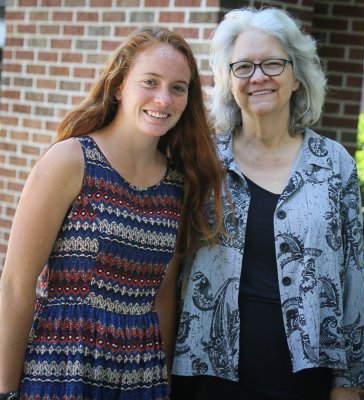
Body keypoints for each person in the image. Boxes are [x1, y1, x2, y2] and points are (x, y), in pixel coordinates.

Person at [0, 26, 224, 400]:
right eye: (150, 82)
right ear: (120, 86)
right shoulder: (71, 161)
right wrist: (5, 390)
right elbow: (14, 285)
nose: (163, 99)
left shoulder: (178, 186)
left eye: (178, 88)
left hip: (140, 377)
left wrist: (163, 386)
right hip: (64, 367)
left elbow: (163, 295)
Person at [171, 7, 364, 400]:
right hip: (206, 376)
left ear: (296, 76)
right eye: (243, 66)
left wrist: (350, 383)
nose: (258, 77)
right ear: (229, 80)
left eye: (273, 64)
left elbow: (353, 278)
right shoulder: (203, 162)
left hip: (303, 379)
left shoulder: (334, 165)